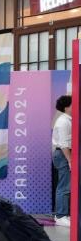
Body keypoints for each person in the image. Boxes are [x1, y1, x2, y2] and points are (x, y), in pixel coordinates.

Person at [53, 95, 72, 227]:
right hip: (63, 154)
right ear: (67, 108)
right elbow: (64, 144)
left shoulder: (68, 120)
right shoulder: (64, 122)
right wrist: (70, 160)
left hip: (64, 154)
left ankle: (63, 214)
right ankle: (60, 215)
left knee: (66, 185)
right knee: (64, 186)